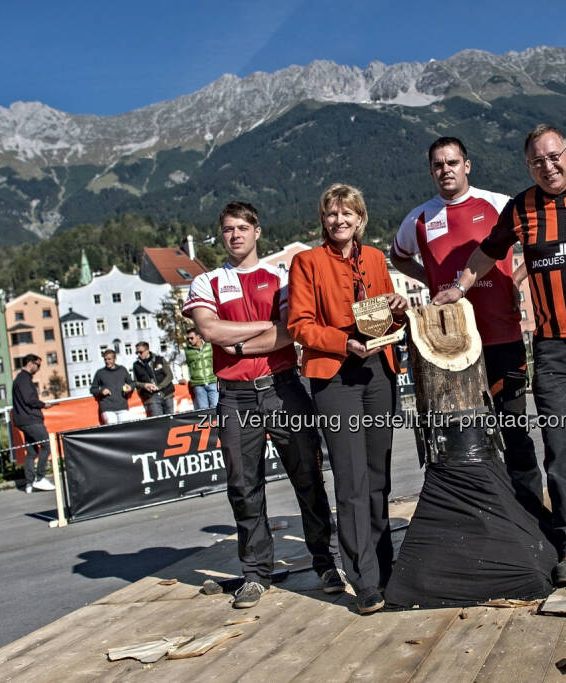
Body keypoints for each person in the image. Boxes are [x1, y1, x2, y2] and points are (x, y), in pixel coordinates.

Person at [433, 124, 566, 585]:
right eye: (537, 161)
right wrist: (457, 289)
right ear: (528, 166)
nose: (548, 166)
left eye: (554, 156)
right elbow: (485, 253)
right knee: (562, 447)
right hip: (553, 349)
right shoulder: (521, 207)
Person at [183, 200, 342, 610]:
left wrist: (239, 341)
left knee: (307, 476)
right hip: (234, 395)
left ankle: (325, 562)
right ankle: (256, 574)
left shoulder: (281, 278)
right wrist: (259, 330)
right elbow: (208, 328)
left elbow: (292, 332)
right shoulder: (207, 282)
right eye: (227, 230)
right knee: (243, 486)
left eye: (242, 227)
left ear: (257, 232)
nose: (234, 235)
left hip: (283, 386)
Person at [390, 136, 543, 519]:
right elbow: (398, 257)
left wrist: (517, 279)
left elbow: (538, 245)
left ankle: (533, 517)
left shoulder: (498, 204)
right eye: (438, 165)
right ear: (431, 171)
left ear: (467, 165)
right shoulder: (419, 217)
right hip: (451, 350)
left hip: (502, 337)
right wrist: (431, 280)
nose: (446, 170)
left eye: (452, 162)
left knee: (515, 434)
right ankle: (488, 518)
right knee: (469, 439)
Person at [288, 184, 408, 614]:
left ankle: (384, 566)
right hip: (334, 375)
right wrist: (342, 344)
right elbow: (299, 325)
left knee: (378, 476)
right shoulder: (306, 262)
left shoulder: (375, 258)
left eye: (347, 214)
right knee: (352, 477)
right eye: (331, 214)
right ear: (323, 219)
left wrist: (397, 306)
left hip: (378, 371)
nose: (339, 221)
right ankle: (364, 578)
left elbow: (390, 317)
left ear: (360, 218)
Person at [11, 354, 56, 493]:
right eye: (38, 365)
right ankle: (40, 478)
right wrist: (43, 405)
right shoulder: (24, 379)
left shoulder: (20, 379)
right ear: (30, 363)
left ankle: (29, 484)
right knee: (47, 445)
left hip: (23, 420)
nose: (38, 368)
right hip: (31, 419)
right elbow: (29, 399)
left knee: (31, 452)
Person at [90, 350, 135, 424]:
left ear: (115, 359)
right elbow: (93, 389)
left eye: (109, 359)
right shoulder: (100, 373)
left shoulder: (122, 369)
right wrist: (101, 391)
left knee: (125, 430)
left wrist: (130, 387)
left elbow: (132, 383)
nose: (107, 361)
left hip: (122, 407)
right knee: (114, 430)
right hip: (107, 408)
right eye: (105, 359)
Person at [133, 341, 175, 416]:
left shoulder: (160, 360)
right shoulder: (136, 365)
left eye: (141, 352)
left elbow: (169, 375)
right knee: (158, 421)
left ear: (147, 350)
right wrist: (144, 385)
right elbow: (135, 382)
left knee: (170, 418)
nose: (139, 354)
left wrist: (159, 386)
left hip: (166, 393)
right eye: (137, 352)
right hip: (151, 396)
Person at [184, 328, 219, 410]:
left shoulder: (210, 346)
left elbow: (218, 360)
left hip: (212, 381)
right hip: (198, 384)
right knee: (203, 410)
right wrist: (181, 377)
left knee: (216, 407)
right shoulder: (186, 351)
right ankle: (205, 423)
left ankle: (219, 423)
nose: (189, 340)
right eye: (188, 338)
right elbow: (176, 363)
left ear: (198, 336)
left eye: (191, 338)